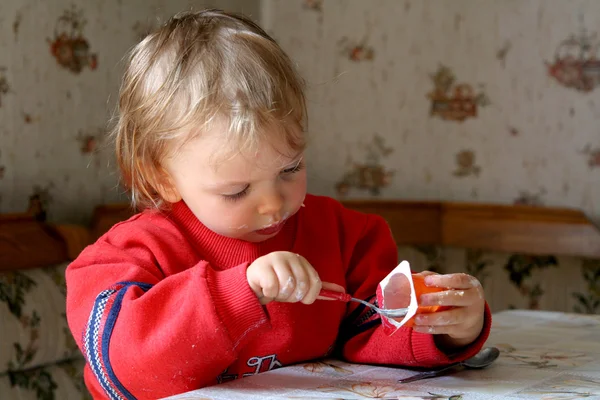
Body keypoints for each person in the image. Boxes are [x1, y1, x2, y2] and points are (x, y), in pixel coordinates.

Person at [66, 9, 491, 400]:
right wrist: (240, 292)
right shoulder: (123, 259)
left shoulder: (343, 236)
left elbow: (371, 329)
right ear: (161, 175)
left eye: (290, 169)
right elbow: (124, 368)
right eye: (236, 191)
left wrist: (448, 327)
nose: (274, 205)